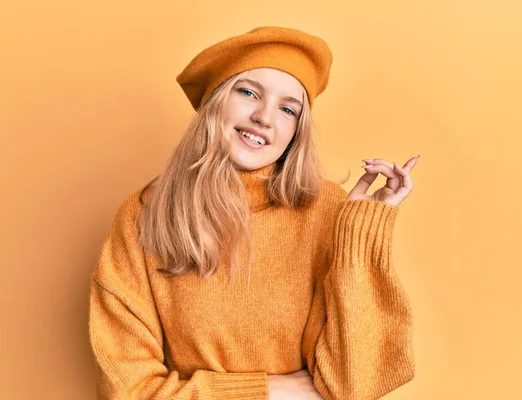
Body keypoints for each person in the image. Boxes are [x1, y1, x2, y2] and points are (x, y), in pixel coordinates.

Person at [88, 26, 420, 399]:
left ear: (296, 131)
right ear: (215, 102)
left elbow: (357, 384)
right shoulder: (143, 216)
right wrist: (272, 391)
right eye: (248, 92)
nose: (265, 117)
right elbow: (127, 391)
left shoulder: (326, 209)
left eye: (287, 109)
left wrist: (358, 237)